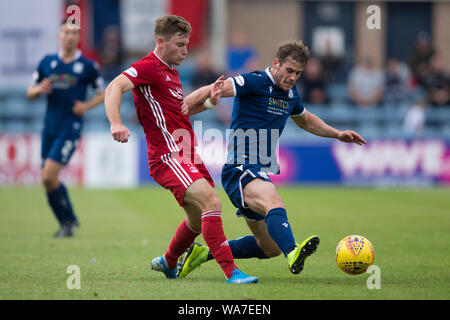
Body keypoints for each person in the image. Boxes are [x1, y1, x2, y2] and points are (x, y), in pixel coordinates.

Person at [177, 40, 366, 279]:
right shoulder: (255, 81)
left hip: (258, 169)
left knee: (269, 247)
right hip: (241, 168)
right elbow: (215, 88)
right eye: (289, 71)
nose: (292, 77)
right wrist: (181, 108)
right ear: (276, 63)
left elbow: (306, 120)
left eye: (297, 73)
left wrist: (338, 134)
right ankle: (293, 252)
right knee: (273, 202)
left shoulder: (290, 95)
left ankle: (203, 254)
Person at [104, 15, 257, 284]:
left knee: (198, 219)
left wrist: (209, 102)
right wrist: (116, 122)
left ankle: (168, 261)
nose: (186, 51)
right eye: (180, 44)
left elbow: (182, 110)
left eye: (187, 44)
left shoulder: (172, 73)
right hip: (168, 155)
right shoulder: (148, 67)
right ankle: (231, 272)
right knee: (212, 202)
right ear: (161, 42)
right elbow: (114, 86)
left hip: (187, 153)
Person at [26, 18, 105, 238]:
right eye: (66, 32)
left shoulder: (88, 66)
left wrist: (86, 106)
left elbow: (103, 92)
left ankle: (69, 220)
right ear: (59, 36)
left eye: (74, 33)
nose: (70, 36)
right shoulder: (47, 62)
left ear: (78, 38)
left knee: (49, 175)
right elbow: (29, 92)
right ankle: (67, 222)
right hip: (49, 127)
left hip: (70, 127)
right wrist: (39, 89)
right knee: (47, 179)